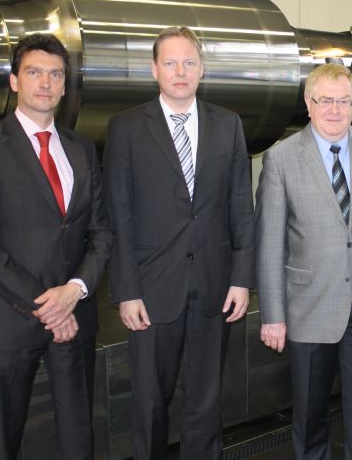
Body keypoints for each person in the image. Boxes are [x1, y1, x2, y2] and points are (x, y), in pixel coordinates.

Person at [0, 33, 112, 459]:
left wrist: (74, 291)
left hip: (75, 317)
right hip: (10, 321)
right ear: (14, 81)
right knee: (2, 441)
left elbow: (101, 231)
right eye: (34, 72)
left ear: (65, 85)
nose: (45, 83)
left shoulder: (82, 149)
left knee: (79, 438)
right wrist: (48, 305)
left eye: (55, 74)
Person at [104, 26, 254, 459]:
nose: (180, 71)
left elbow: (241, 208)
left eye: (189, 62)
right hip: (152, 293)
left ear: (202, 69)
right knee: (151, 403)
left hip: (214, 288)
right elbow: (120, 215)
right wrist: (126, 290)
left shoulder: (228, 126)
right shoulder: (127, 129)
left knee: (206, 405)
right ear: (155, 70)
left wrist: (241, 279)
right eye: (170, 63)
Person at [256, 63, 352, 459]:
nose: (334, 110)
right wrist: (273, 315)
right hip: (308, 310)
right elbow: (269, 243)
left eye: (343, 101)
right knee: (310, 416)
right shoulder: (281, 159)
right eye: (325, 101)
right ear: (309, 103)